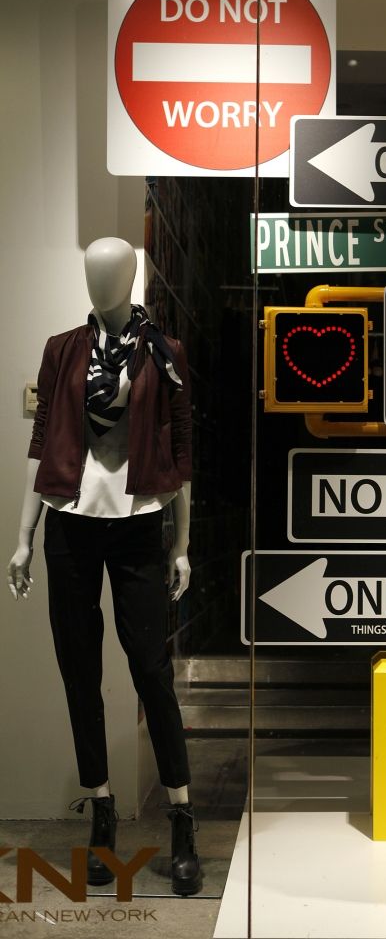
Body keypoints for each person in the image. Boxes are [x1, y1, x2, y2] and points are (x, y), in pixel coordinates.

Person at [6, 237, 201, 897]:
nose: (99, 280)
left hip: (140, 523)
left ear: (130, 276)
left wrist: (181, 544)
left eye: (109, 271)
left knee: (152, 672)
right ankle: (102, 809)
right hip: (70, 526)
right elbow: (44, 451)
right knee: (78, 672)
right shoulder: (63, 349)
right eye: (91, 270)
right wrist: (23, 538)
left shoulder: (164, 353)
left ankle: (180, 815)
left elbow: (180, 457)